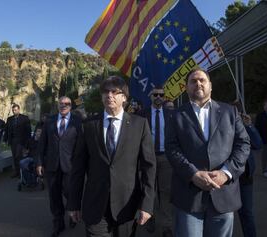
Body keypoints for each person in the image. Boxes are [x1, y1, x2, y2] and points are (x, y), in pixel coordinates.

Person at [165, 68, 251, 237]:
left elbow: (243, 144)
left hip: (223, 193)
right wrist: (193, 174)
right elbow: (172, 148)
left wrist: (226, 173)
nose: (198, 83)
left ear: (210, 86)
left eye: (202, 80)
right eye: (193, 81)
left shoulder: (230, 112)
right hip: (189, 196)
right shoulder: (175, 116)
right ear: (186, 87)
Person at [67, 76, 156, 237]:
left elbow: (148, 166)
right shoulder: (89, 126)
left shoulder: (140, 124)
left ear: (124, 98)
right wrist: (73, 203)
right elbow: (78, 168)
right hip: (95, 205)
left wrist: (147, 204)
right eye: (106, 92)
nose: (109, 95)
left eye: (115, 92)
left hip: (127, 205)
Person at [36, 96, 82, 237]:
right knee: (54, 196)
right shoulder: (49, 121)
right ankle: (58, 223)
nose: (63, 105)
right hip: (52, 166)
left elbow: (81, 146)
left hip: (70, 166)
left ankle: (72, 213)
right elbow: (42, 143)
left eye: (67, 103)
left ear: (71, 106)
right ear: (58, 105)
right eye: (61, 103)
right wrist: (39, 163)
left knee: (69, 193)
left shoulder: (77, 121)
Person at [138, 86, 173, 237]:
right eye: (155, 95)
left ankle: (167, 226)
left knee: (165, 192)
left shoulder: (171, 114)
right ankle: (149, 217)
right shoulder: (141, 114)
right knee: (149, 189)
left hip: (166, 158)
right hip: (148, 158)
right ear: (150, 97)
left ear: (165, 97)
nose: (158, 97)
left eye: (161, 95)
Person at [239, 113, 262, 237]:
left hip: (246, 176)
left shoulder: (246, 128)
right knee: (224, 214)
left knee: (246, 212)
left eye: (239, 113)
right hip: (227, 178)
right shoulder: (222, 127)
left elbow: (258, 144)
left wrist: (249, 125)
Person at [3, 104, 31, 178]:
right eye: (13, 110)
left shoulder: (25, 118)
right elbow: (6, 130)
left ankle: (21, 173)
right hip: (13, 140)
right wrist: (5, 140)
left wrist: (28, 142)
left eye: (15, 110)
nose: (14, 111)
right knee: (14, 157)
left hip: (21, 141)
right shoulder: (9, 119)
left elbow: (28, 131)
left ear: (19, 110)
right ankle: (17, 172)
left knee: (19, 156)